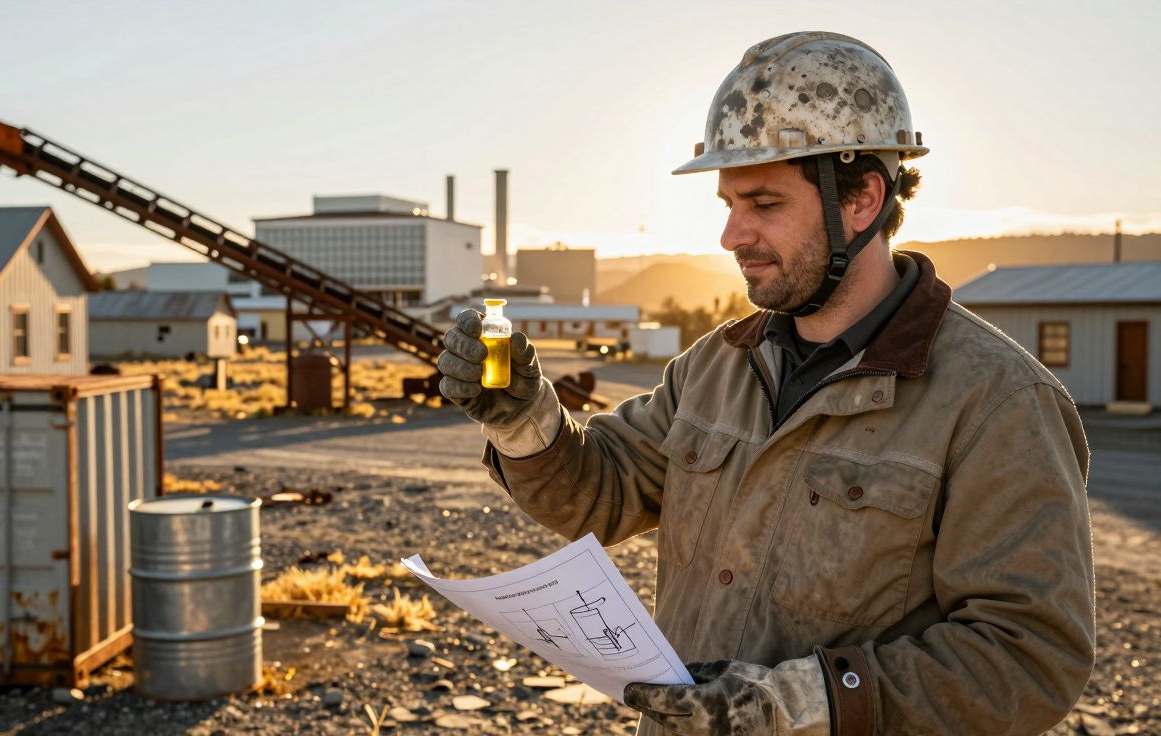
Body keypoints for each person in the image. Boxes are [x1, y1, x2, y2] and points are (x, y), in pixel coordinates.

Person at [437, 31, 1094, 736]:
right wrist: (523, 420)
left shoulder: (995, 401)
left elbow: (1030, 657)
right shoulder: (718, 365)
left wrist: (806, 701)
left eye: (763, 205)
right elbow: (602, 491)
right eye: (728, 204)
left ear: (863, 199)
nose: (731, 235)